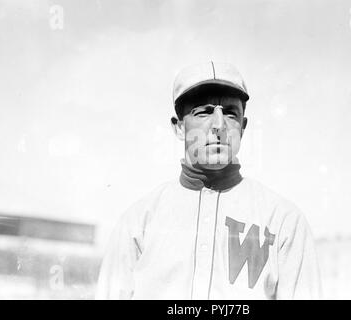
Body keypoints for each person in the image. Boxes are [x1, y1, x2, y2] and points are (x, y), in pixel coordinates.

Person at [95, 61, 321, 299]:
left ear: (243, 127)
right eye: (203, 112)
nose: (219, 125)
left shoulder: (283, 220)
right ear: (179, 127)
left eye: (231, 113)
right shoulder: (139, 220)